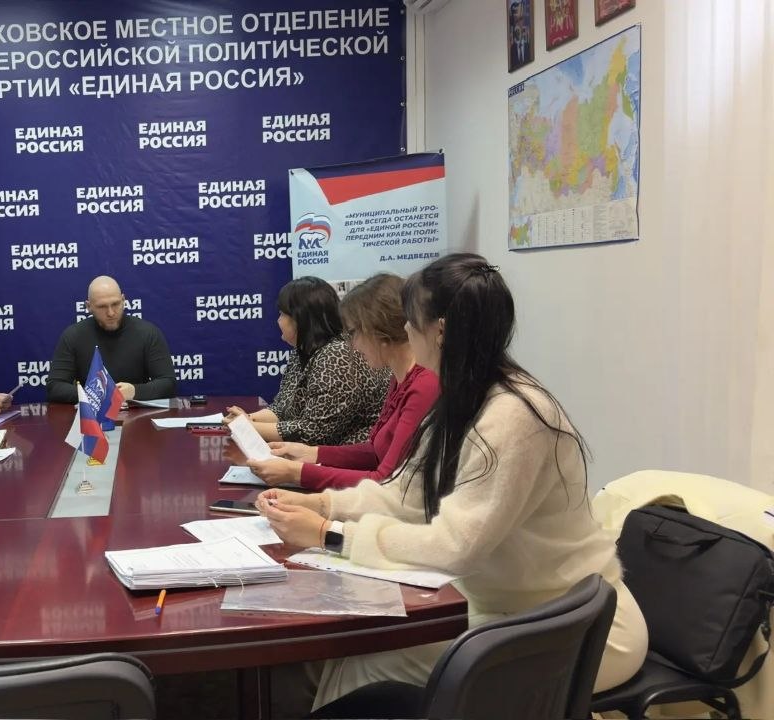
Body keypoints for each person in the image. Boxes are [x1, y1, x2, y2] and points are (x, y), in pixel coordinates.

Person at [256, 254, 648, 714]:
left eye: (411, 321)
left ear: (439, 331)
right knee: (350, 658)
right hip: (511, 612)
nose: (404, 330)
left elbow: (456, 547)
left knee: (367, 665)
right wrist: (323, 506)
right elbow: (405, 493)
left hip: (572, 632)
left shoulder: (512, 416)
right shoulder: (462, 399)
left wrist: (330, 536)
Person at [247, 274, 439, 490]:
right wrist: (311, 453)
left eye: (354, 333)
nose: (353, 345)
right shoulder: (400, 377)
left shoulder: (423, 386)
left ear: (379, 332)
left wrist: (298, 473)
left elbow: (387, 480)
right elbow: (375, 452)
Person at [223, 276, 389, 445]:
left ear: (300, 319)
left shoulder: (337, 355)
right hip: (313, 452)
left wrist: (247, 426)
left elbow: (315, 432)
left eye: (282, 314)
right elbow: (282, 408)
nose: (278, 320)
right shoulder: (304, 349)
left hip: (350, 454)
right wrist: (246, 418)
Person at [46, 275, 176, 403]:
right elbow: (55, 387)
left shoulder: (148, 333)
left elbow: (168, 383)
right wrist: (95, 395)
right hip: (92, 413)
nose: (111, 313)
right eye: (102, 307)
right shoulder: (73, 336)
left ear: (123, 300)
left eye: (115, 304)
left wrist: (135, 391)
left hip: (137, 412)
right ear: (88, 306)